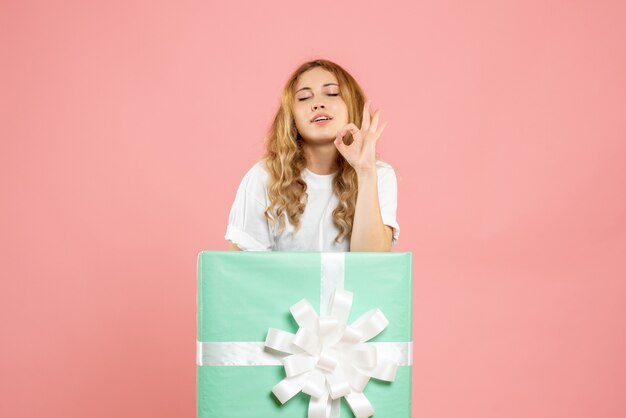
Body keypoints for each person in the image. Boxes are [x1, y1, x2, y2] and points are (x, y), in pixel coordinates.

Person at [225, 59, 400, 252]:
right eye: (304, 97)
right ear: (292, 117)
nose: (317, 104)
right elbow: (242, 269)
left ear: (352, 106)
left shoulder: (379, 175)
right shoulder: (264, 177)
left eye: (332, 93)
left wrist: (365, 171)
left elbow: (371, 265)